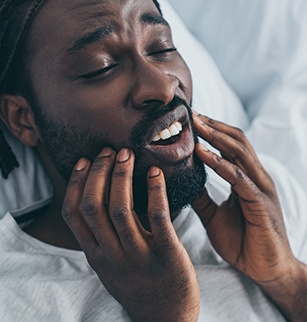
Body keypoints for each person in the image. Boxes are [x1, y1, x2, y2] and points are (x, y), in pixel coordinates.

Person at [0, 0, 306, 321]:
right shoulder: (13, 299)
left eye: (162, 48)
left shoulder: (259, 205)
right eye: (101, 67)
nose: (163, 85)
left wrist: (287, 278)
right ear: (23, 119)